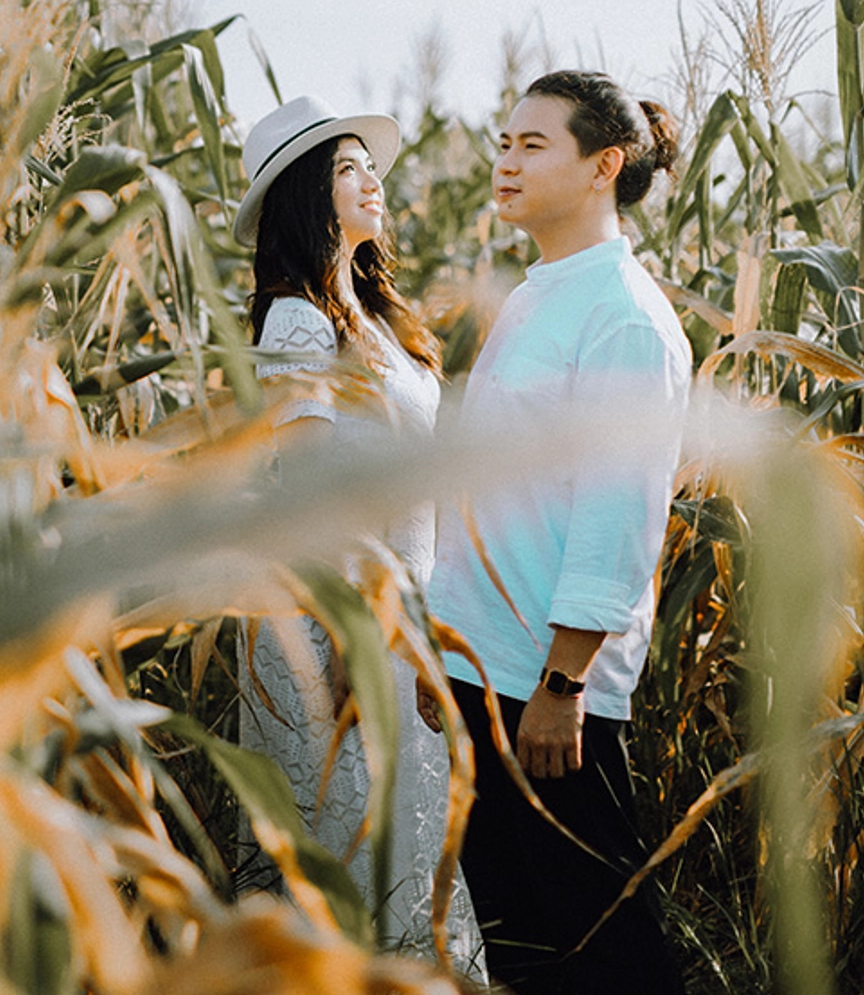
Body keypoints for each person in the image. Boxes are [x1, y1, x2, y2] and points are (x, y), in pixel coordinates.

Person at [421, 71, 691, 993]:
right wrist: (445, 650)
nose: (505, 161)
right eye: (504, 142)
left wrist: (564, 681)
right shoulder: (539, 293)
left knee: (605, 940)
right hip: (483, 667)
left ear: (602, 166)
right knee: (519, 935)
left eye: (533, 145)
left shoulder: (624, 317)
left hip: (549, 687)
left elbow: (618, 514)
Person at [231, 95, 485, 981]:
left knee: (404, 854)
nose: (372, 179)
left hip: (396, 620)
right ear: (308, 195)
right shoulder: (297, 321)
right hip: (331, 625)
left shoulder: (372, 316)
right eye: (347, 169)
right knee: (354, 856)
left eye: (369, 165)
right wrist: (348, 644)